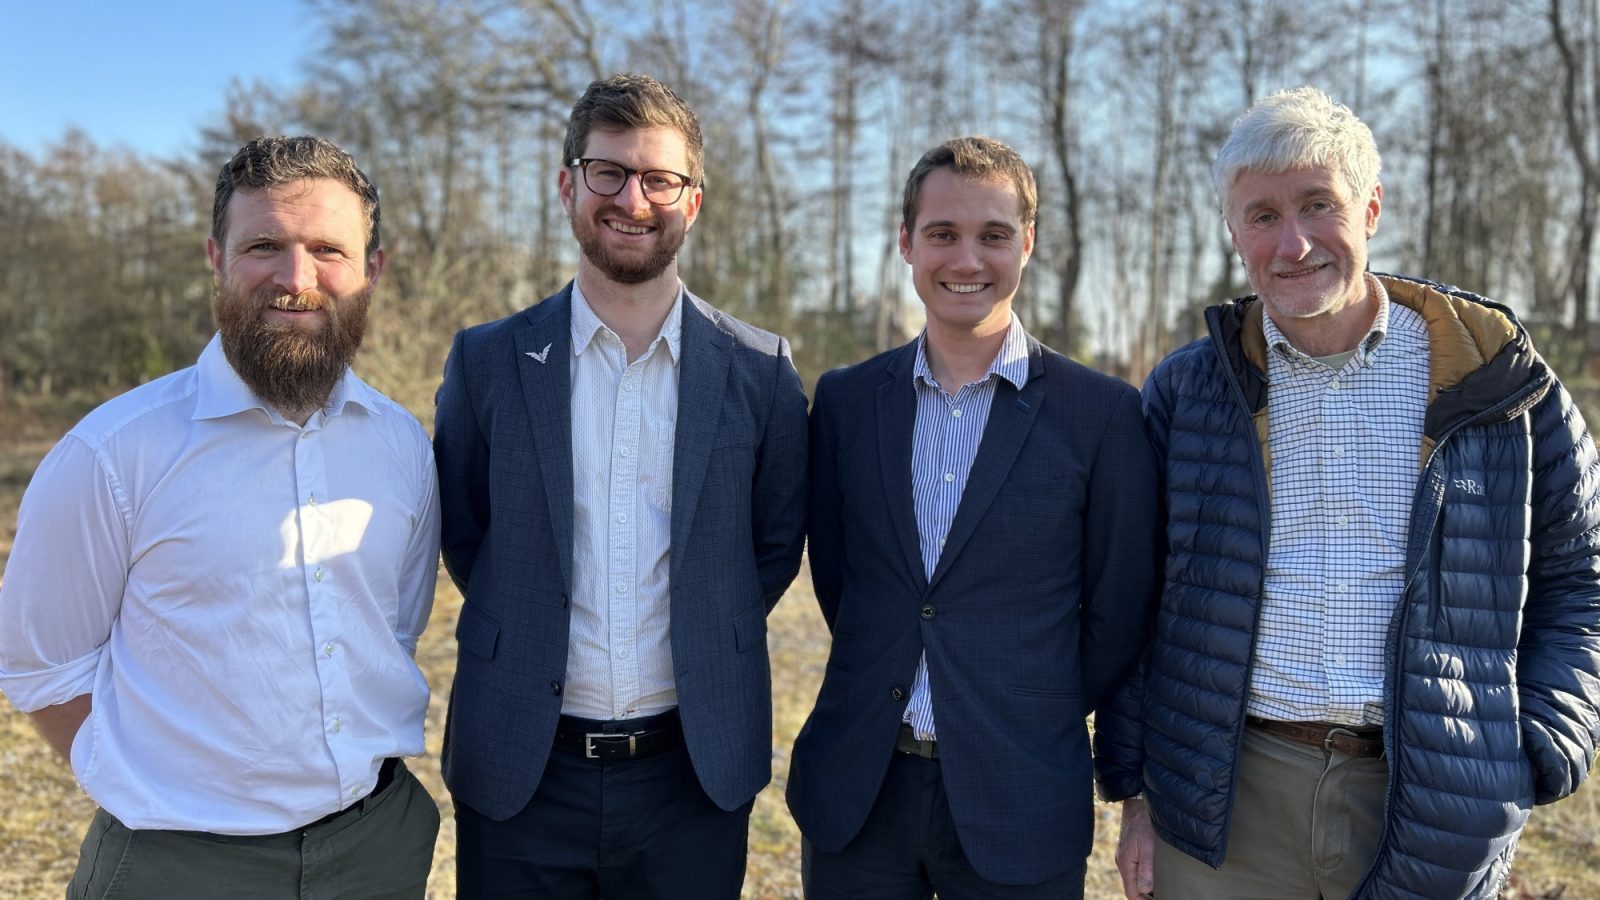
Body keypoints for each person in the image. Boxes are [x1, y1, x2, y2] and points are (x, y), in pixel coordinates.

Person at [1098, 85, 1600, 900]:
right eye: (1261, 216)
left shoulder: (1501, 383)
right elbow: (1135, 595)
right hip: (1222, 802)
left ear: (1371, 208)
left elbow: (1582, 579)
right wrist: (1135, 793)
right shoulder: (1187, 392)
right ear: (1233, 234)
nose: (1292, 243)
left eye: (1317, 205)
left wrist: (1534, 745)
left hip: (1433, 796)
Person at [0, 135, 442, 898]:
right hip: (179, 864)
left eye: (327, 250)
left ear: (372, 270)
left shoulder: (402, 444)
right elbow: (40, 666)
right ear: (215, 257)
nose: (296, 279)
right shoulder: (112, 453)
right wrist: (160, 786)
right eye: (264, 245)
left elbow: (392, 627)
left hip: (375, 848)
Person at [433, 73, 807, 899]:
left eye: (659, 179)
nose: (632, 199)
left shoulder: (761, 370)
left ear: (693, 202)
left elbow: (772, 547)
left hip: (692, 771)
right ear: (569, 185)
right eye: (609, 172)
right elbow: (470, 536)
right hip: (521, 768)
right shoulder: (487, 361)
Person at [786, 136, 1163, 899]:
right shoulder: (847, 403)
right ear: (905, 243)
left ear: (1028, 244)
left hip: (1020, 792)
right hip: (860, 789)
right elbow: (843, 587)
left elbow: (1119, 614)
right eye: (943, 234)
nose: (968, 258)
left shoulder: (1103, 415)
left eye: (993, 235)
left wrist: (1023, 696)